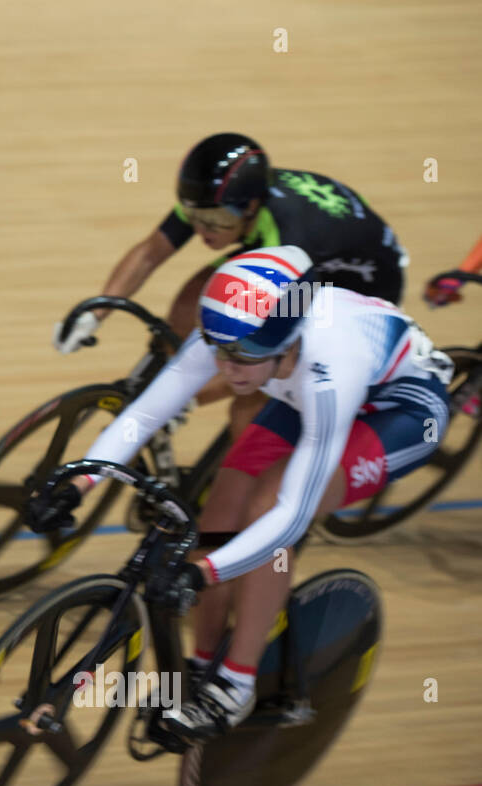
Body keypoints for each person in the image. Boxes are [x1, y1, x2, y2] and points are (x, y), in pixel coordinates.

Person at [29, 245, 452, 739]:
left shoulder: (329, 367)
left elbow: (292, 513)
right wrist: (81, 480)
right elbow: (145, 415)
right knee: (221, 507)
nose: (227, 369)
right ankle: (202, 665)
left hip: (398, 411)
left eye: (243, 356)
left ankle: (236, 684)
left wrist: (203, 573)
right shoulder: (238, 336)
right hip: (292, 389)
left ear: (288, 340)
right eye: (219, 350)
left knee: (267, 506)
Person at [54, 133, 410, 437]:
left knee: (252, 401)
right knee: (191, 300)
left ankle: (248, 492)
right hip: (302, 250)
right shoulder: (215, 202)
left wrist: (183, 399)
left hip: (358, 284)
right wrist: (96, 313)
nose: (204, 231)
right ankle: (165, 383)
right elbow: (150, 253)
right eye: (195, 218)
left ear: (252, 205)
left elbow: (264, 354)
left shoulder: (289, 241)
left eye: (217, 221)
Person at [423, 235, 482, 306]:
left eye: (436, 299)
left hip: (465, 271)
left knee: (477, 256)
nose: (440, 299)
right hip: (467, 272)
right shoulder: (448, 291)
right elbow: (458, 297)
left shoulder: (438, 284)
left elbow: (449, 276)